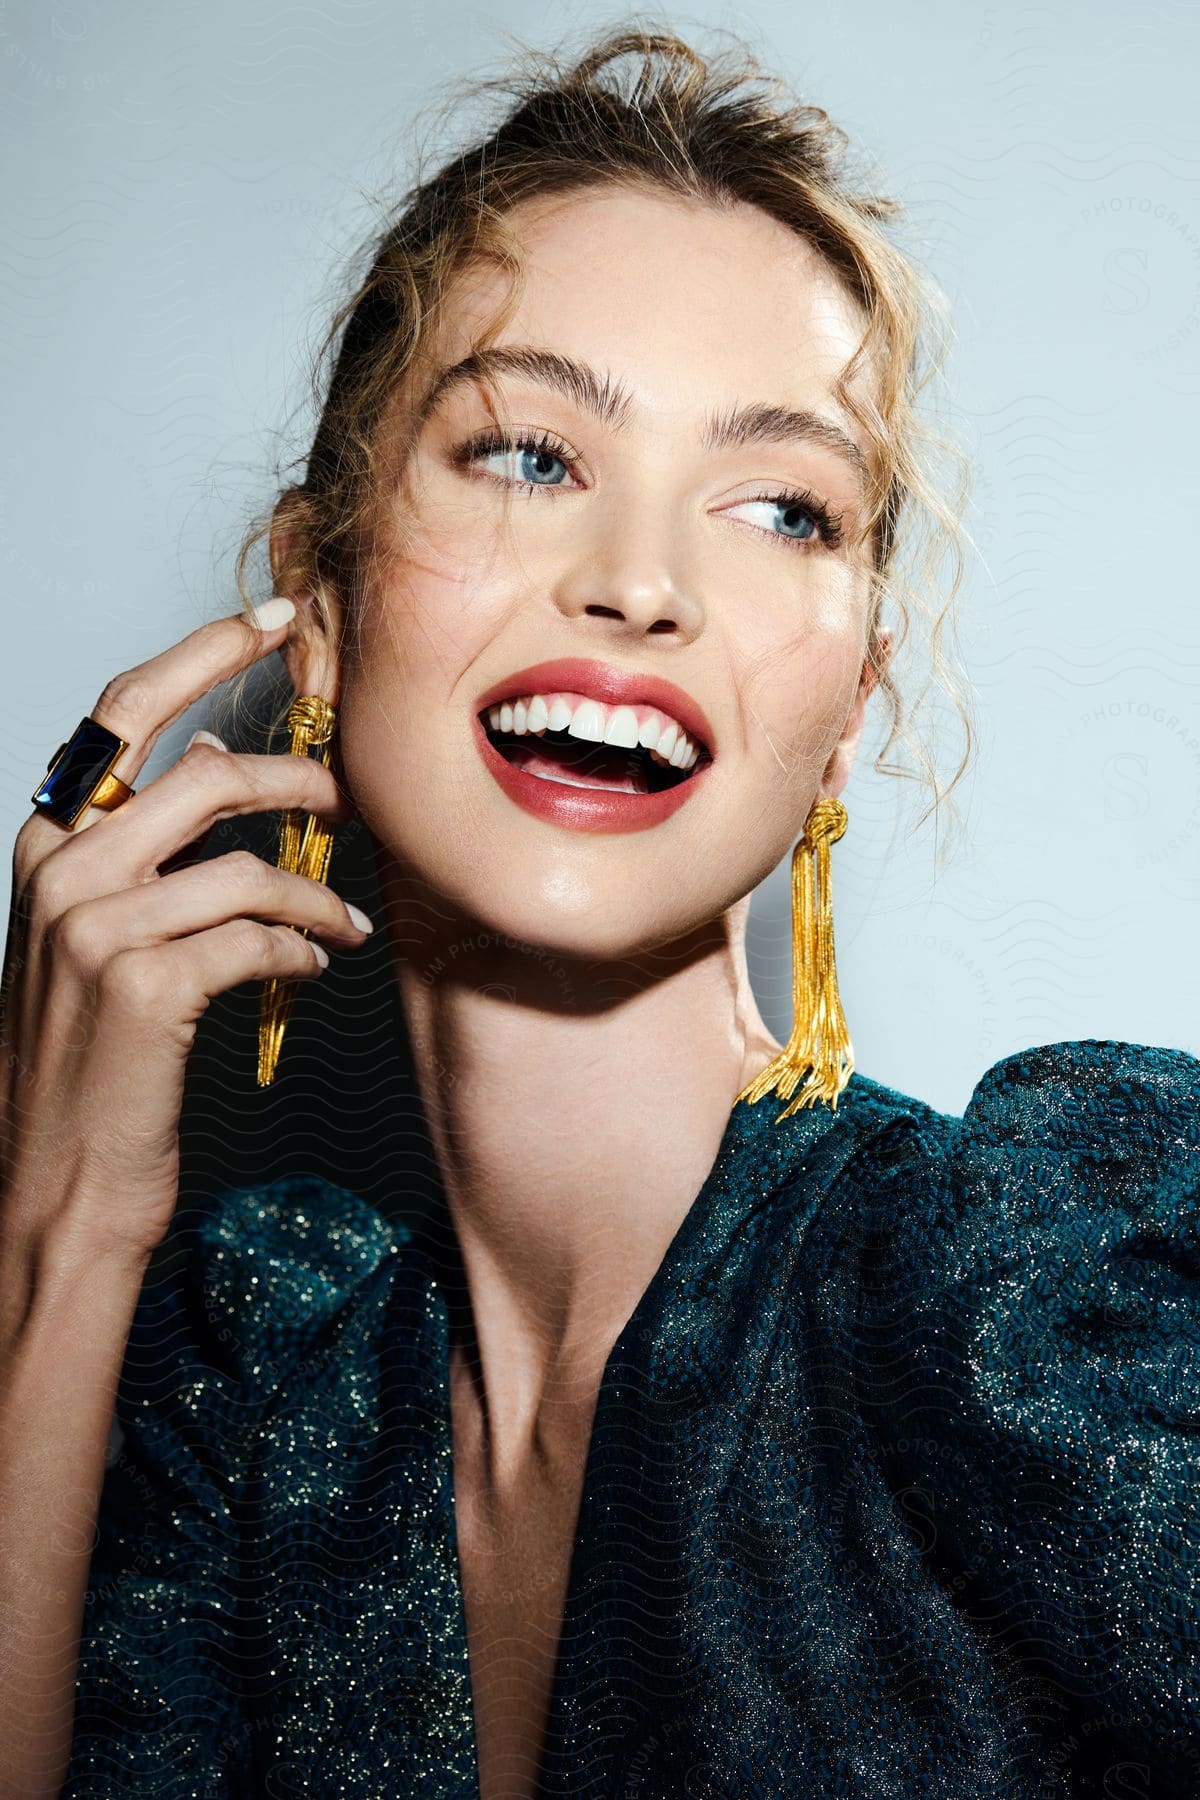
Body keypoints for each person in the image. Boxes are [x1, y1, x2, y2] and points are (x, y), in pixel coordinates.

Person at [1, 26, 1195, 1800]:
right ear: (318, 601)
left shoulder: (1018, 1300)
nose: (640, 583)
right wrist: (62, 1225)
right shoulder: (257, 1413)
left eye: (784, 505)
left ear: (849, 706)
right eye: (528, 455)